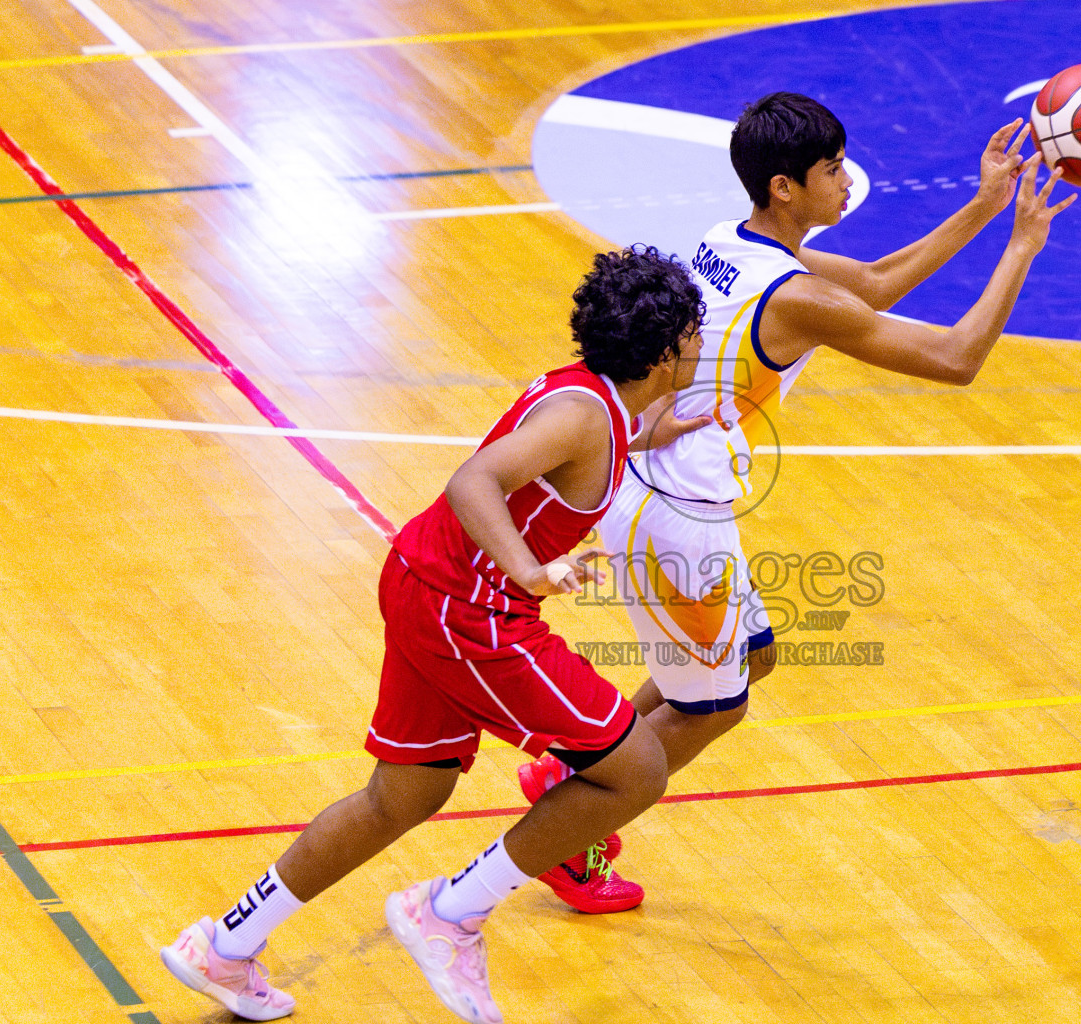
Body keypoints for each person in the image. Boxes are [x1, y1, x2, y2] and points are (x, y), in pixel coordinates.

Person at [515, 92, 1075, 887]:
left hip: (654, 490)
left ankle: (570, 772)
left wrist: (984, 205)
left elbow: (876, 284)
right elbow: (957, 358)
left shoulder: (730, 242)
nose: (847, 181)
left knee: (754, 655)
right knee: (716, 707)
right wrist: (1021, 244)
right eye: (832, 168)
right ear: (785, 187)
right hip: (676, 519)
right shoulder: (796, 296)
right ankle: (571, 831)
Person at [158, 245, 711, 1023]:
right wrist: (526, 569)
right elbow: (474, 479)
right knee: (638, 767)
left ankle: (224, 945)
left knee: (404, 794)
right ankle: (449, 914)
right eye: (692, 331)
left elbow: (579, 451)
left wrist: (653, 435)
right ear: (660, 352)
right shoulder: (581, 418)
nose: (699, 341)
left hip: (424, 582)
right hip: (471, 612)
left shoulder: (598, 404)